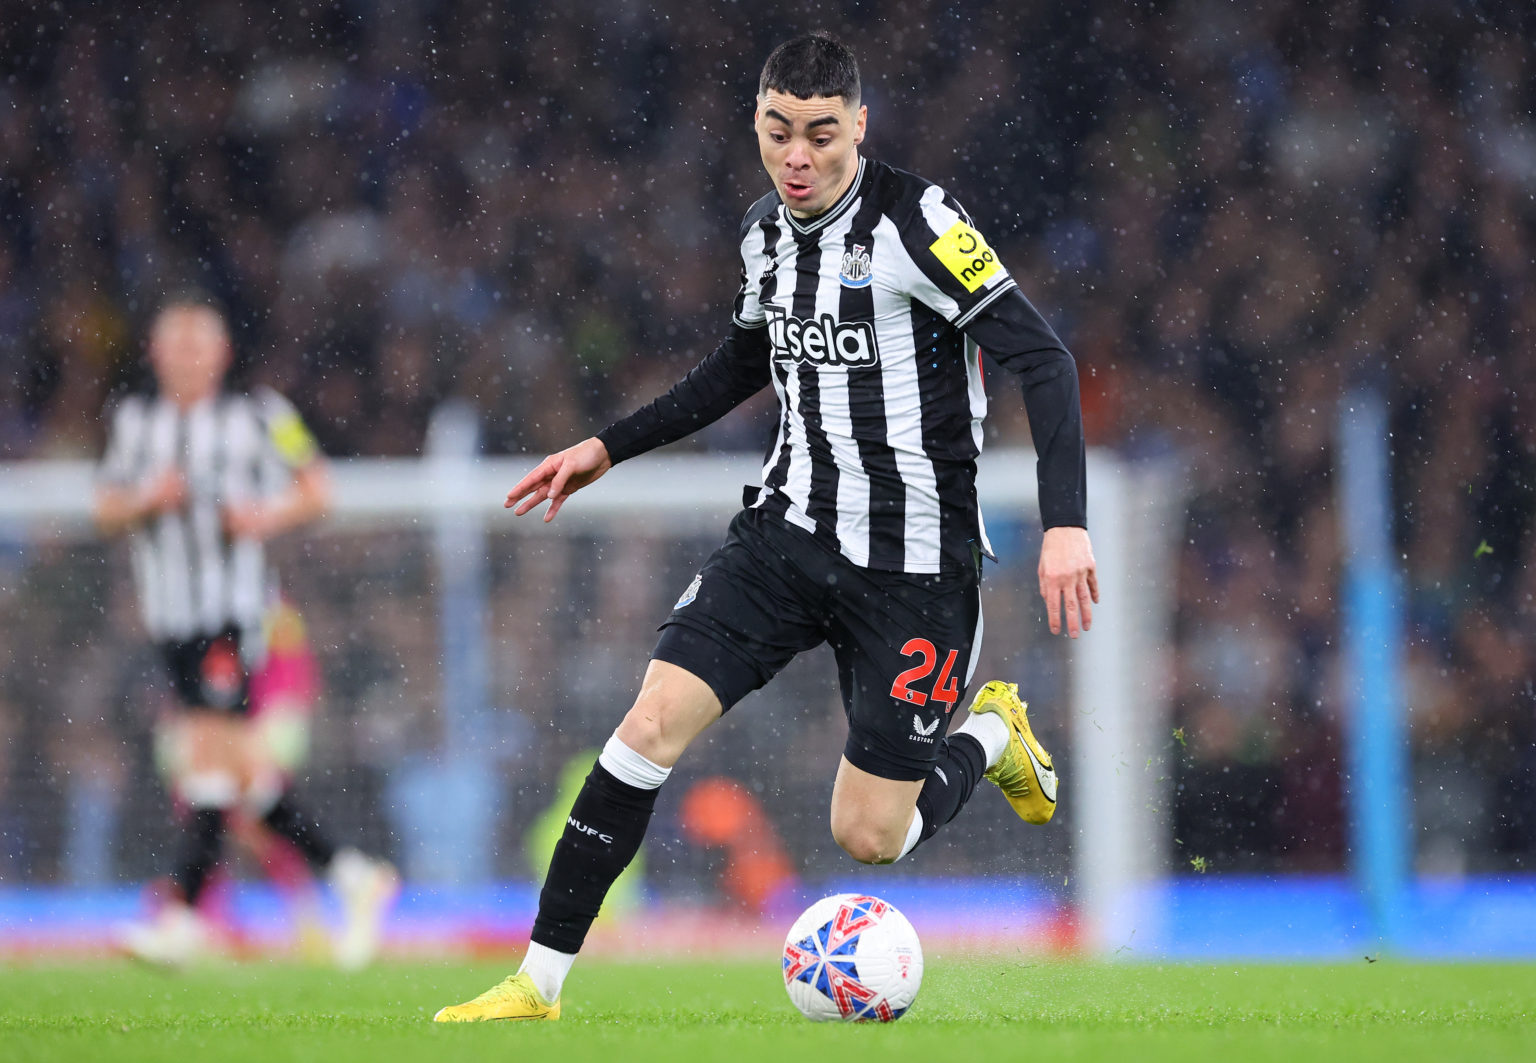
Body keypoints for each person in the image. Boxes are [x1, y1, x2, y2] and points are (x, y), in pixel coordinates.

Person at [435, 32, 1097, 1022]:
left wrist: (1066, 525)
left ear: (859, 127)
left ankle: (993, 728)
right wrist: (605, 447)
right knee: (648, 723)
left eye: (821, 135)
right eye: (778, 131)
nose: (798, 156)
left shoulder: (920, 223)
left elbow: (1041, 359)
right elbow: (740, 365)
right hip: (785, 538)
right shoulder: (762, 235)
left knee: (869, 836)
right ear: (757, 125)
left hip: (916, 569)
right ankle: (540, 978)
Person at [94, 294, 399, 968]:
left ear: (222, 353)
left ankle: (183, 912)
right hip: (169, 618)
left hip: (231, 613)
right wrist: (148, 499)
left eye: (199, 344)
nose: (187, 356)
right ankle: (354, 873)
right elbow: (106, 507)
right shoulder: (134, 423)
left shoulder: (261, 416)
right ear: (155, 352)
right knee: (233, 771)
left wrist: (265, 515)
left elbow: (319, 488)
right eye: (176, 344)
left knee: (207, 756)